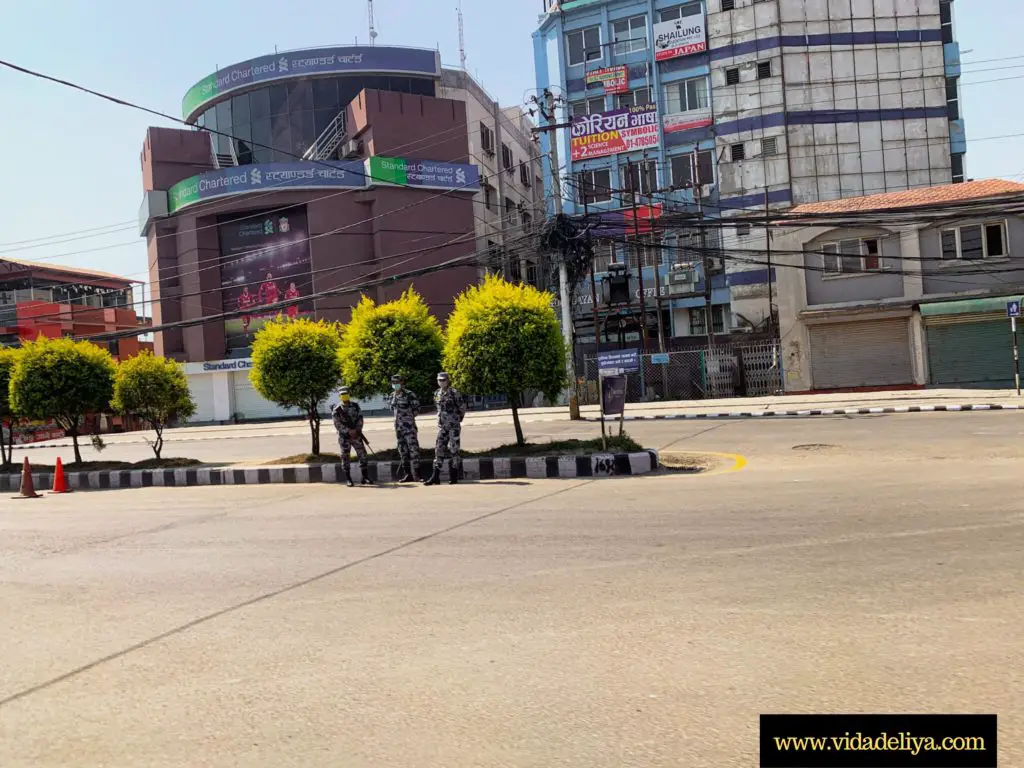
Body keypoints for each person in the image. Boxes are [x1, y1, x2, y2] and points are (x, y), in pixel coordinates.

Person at [424, 371, 466, 486]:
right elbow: (438, 408)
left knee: (454, 450)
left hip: (453, 427)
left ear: (448, 381)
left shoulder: (454, 393)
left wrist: (457, 420)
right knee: (438, 449)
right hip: (442, 427)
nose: (441, 382)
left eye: (443, 380)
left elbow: (462, 408)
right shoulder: (437, 393)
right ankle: (435, 476)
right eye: (439, 380)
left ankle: (454, 476)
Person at [332, 387, 372, 487]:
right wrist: (348, 431)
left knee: (362, 455)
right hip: (344, 437)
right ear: (339, 396)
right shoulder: (337, 409)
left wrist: (357, 429)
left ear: (349, 394)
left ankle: (365, 477)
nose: (344, 396)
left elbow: (360, 418)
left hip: (356, 435)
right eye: (342, 394)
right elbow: (337, 424)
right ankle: (348, 479)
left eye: (346, 393)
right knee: (345, 457)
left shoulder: (355, 406)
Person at [387, 374, 421, 483]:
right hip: (398, 428)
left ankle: (417, 475)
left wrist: (408, 418)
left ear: (402, 383)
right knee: (403, 452)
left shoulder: (409, 394)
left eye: (397, 382)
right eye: (393, 383)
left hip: (409, 428)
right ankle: (408, 475)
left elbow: (417, 409)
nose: (395, 384)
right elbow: (392, 408)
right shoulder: (392, 395)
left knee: (414, 451)